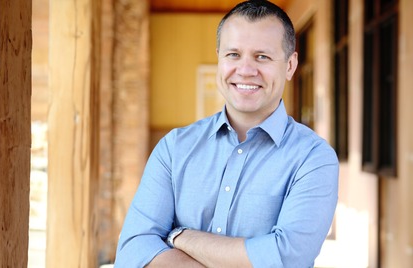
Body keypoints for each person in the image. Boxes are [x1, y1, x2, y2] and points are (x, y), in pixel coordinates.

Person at [114, 1, 339, 267]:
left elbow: (287, 258)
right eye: (233, 54)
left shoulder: (313, 158)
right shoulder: (174, 148)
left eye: (262, 56)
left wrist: (178, 236)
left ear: (290, 66)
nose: (245, 70)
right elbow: (132, 251)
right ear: (219, 58)